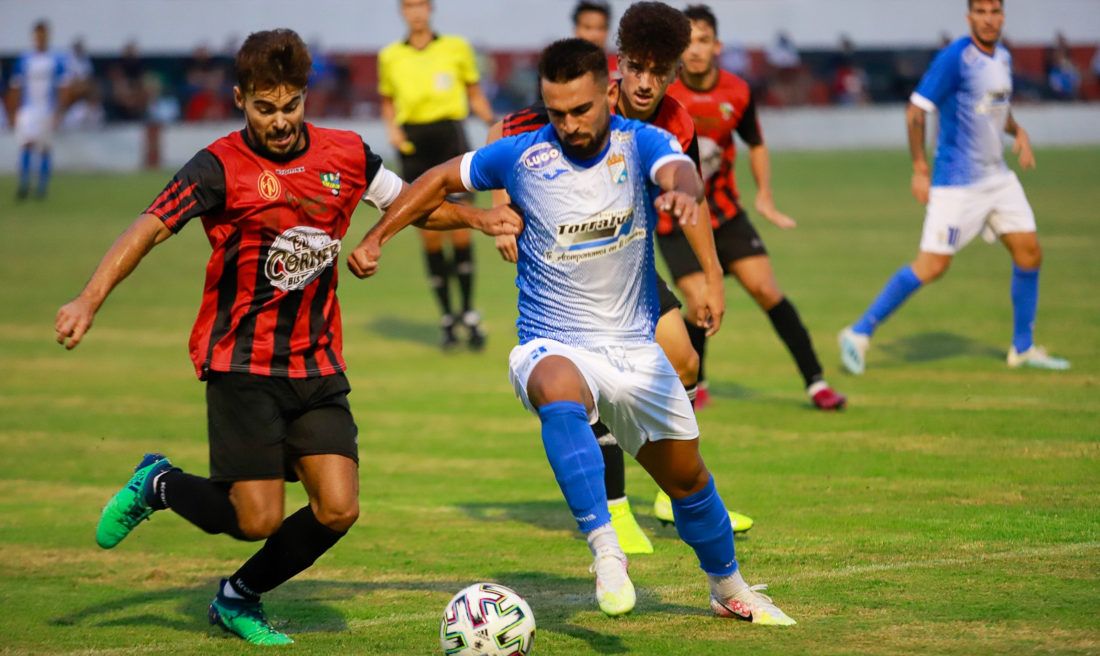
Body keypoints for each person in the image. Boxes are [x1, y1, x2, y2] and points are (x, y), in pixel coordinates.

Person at [54, 29, 519, 646]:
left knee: (338, 508)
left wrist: (480, 217)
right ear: (241, 100)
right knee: (256, 519)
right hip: (241, 362)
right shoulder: (219, 166)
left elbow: (406, 203)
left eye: (291, 106)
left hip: (316, 360)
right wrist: (89, 296)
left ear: (305, 97)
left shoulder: (345, 154)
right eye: (264, 109)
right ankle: (158, 483)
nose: (279, 122)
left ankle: (237, 596)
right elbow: (148, 226)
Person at [349, 36, 796, 626]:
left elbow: (681, 173)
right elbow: (435, 179)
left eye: (580, 110)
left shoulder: (641, 144)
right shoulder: (520, 155)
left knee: (689, 483)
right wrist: (379, 236)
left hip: (635, 350)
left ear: (605, 95)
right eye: (557, 112)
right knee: (557, 388)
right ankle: (606, 551)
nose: (569, 124)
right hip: (553, 340)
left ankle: (729, 587)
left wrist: (701, 245)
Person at [491, 1, 756, 556]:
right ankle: (616, 509)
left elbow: (696, 198)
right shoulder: (583, 103)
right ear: (620, 63)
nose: (645, 81)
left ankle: (668, 490)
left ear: (675, 70)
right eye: (636, 67)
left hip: (624, 264)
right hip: (565, 271)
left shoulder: (676, 122)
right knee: (595, 384)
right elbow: (501, 131)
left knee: (684, 359)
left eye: (659, 71)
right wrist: (502, 211)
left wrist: (711, 276)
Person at [839, 0, 1070, 373]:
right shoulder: (955, 58)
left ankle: (1022, 349)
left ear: (1003, 16)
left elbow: (997, 107)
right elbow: (916, 110)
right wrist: (919, 168)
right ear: (969, 17)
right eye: (980, 11)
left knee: (1030, 253)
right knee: (932, 266)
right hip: (958, 184)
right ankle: (858, 332)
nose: (988, 18)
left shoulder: (1004, 58)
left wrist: (1019, 131)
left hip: (998, 178)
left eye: (994, 11)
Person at [667, 5, 847, 412]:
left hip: (726, 214)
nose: (694, 50)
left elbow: (757, 143)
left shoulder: (737, 91)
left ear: (717, 46)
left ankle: (816, 383)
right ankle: (698, 385)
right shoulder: (665, 93)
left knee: (766, 289)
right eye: (687, 41)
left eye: (702, 40)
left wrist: (764, 194)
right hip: (675, 220)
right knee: (698, 302)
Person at [379, 0, 496, 349]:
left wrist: (493, 124)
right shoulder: (389, 56)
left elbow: (474, 93)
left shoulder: (455, 47)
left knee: (461, 231)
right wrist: (393, 131)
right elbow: (387, 101)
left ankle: (469, 312)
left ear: (430, 9)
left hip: (450, 140)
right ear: (402, 11)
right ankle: (447, 317)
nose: (415, 12)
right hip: (414, 145)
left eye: (420, 5)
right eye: (408, 6)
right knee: (429, 235)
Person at [8, 20, 68, 201]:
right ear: (34, 37)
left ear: (47, 36)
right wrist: (12, 112)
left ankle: (42, 188)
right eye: (38, 35)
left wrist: (59, 111)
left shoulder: (56, 59)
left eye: (43, 35)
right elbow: (16, 87)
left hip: (47, 110)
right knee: (26, 144)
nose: (40, 38)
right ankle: (24, 184)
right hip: (28, 109)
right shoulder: (25, 59)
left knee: (44, 149)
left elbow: (63, 88)